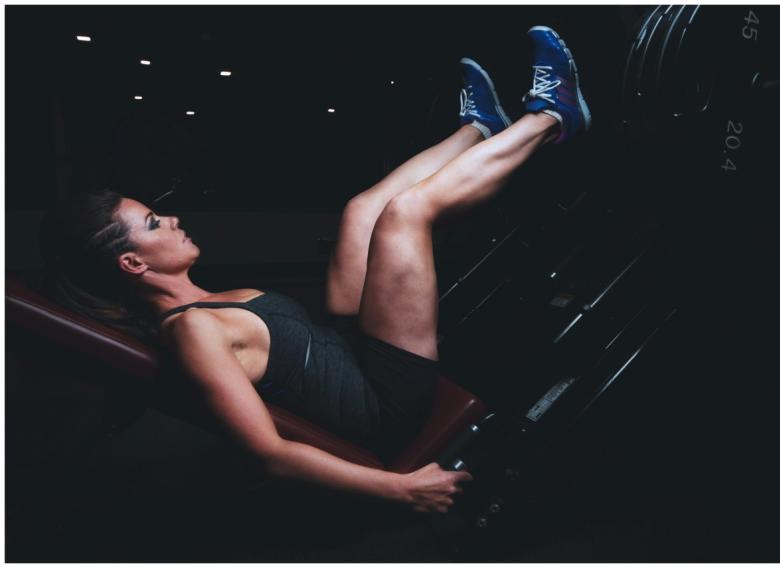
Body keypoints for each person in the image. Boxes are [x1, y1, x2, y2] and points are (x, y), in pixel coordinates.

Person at [38, 26, 591, 514]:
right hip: (383, 401)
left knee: (360, 213)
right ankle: (551, 116)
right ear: (132, 263)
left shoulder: (201, 303)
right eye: (155, 223)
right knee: (406, 215)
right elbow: (268, 454)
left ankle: (478, 128)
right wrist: (400, 489)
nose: (174, 219)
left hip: (348, 350)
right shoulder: (191, 331)